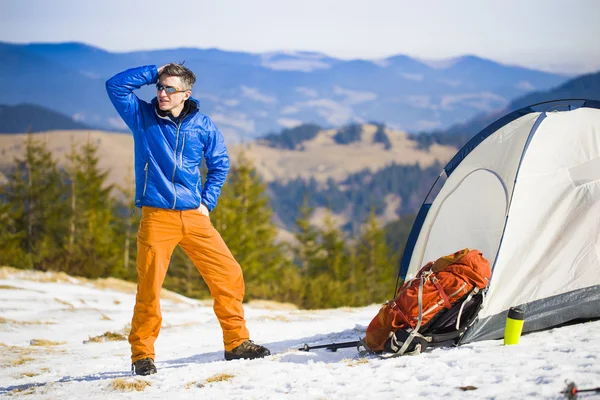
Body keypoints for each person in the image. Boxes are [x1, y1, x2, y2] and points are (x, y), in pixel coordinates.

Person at [106, 63, 270, 376]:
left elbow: (220, 164)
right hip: (157, 218)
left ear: (187, 94)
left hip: (195, 217)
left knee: (229, 274)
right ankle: (142, 355)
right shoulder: (141, 117)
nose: (162, 93)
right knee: (150, 289)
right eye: (160, 87)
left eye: (170, 88)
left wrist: (207, 203)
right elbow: (115, 86)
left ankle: (236, 343)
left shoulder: (203, 125)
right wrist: (155, 70)